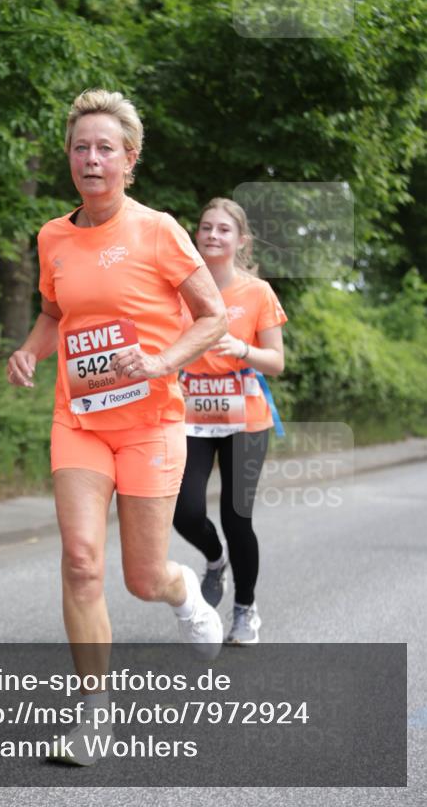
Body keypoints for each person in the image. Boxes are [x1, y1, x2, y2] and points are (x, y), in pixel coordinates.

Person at [7, 90, 227, 764]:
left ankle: (182, 588)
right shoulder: (52, 236)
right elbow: (54, 313)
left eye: (105, 148)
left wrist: (159, 360)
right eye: (80, 147)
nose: (91, 158)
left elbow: (212, 316)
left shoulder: (158, 230)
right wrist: (29, 349)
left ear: (129, 160)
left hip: (151, 422)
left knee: (140, 576)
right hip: (79, 420)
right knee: (79, 562)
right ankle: (93, 714)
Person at [173, 197, 287, 645]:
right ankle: (214, 558)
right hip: (192, 412)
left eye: (223, 229)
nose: (213, 236)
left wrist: (243, 351)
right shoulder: (179, 290)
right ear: (196, 235)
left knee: (238, 516)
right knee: (184, 512)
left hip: (245, 415)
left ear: (241, 241)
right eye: (206, 228)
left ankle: (245, 609)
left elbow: (276, 361)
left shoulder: (257, 293)